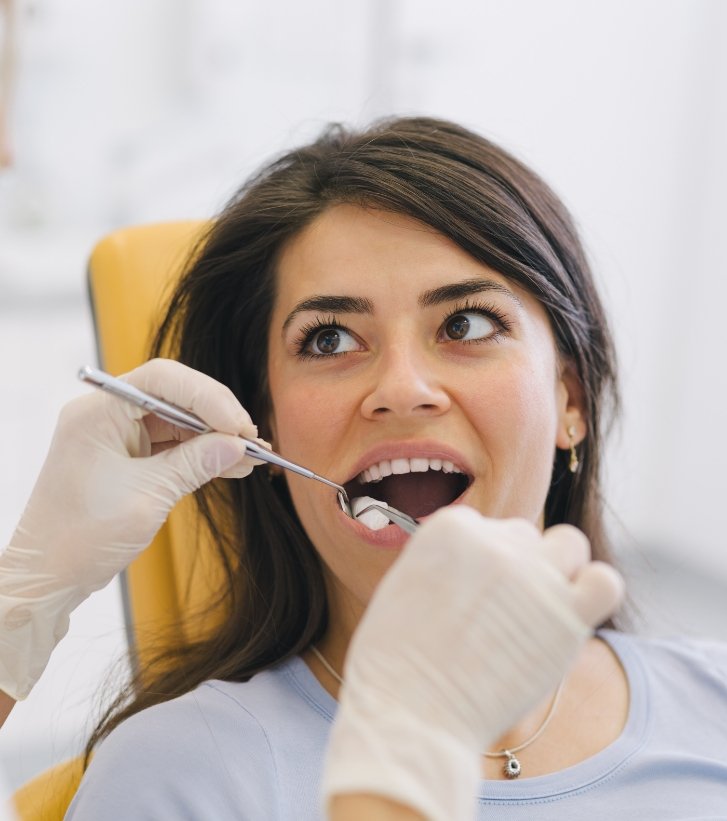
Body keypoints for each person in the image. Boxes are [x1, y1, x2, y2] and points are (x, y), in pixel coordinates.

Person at [1, 117, 725, 818]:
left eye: (465, 324)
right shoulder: (179, 773)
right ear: (268, 426)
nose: (402, 387)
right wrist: (17, 605)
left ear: (570, 399)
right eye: (328, 339)